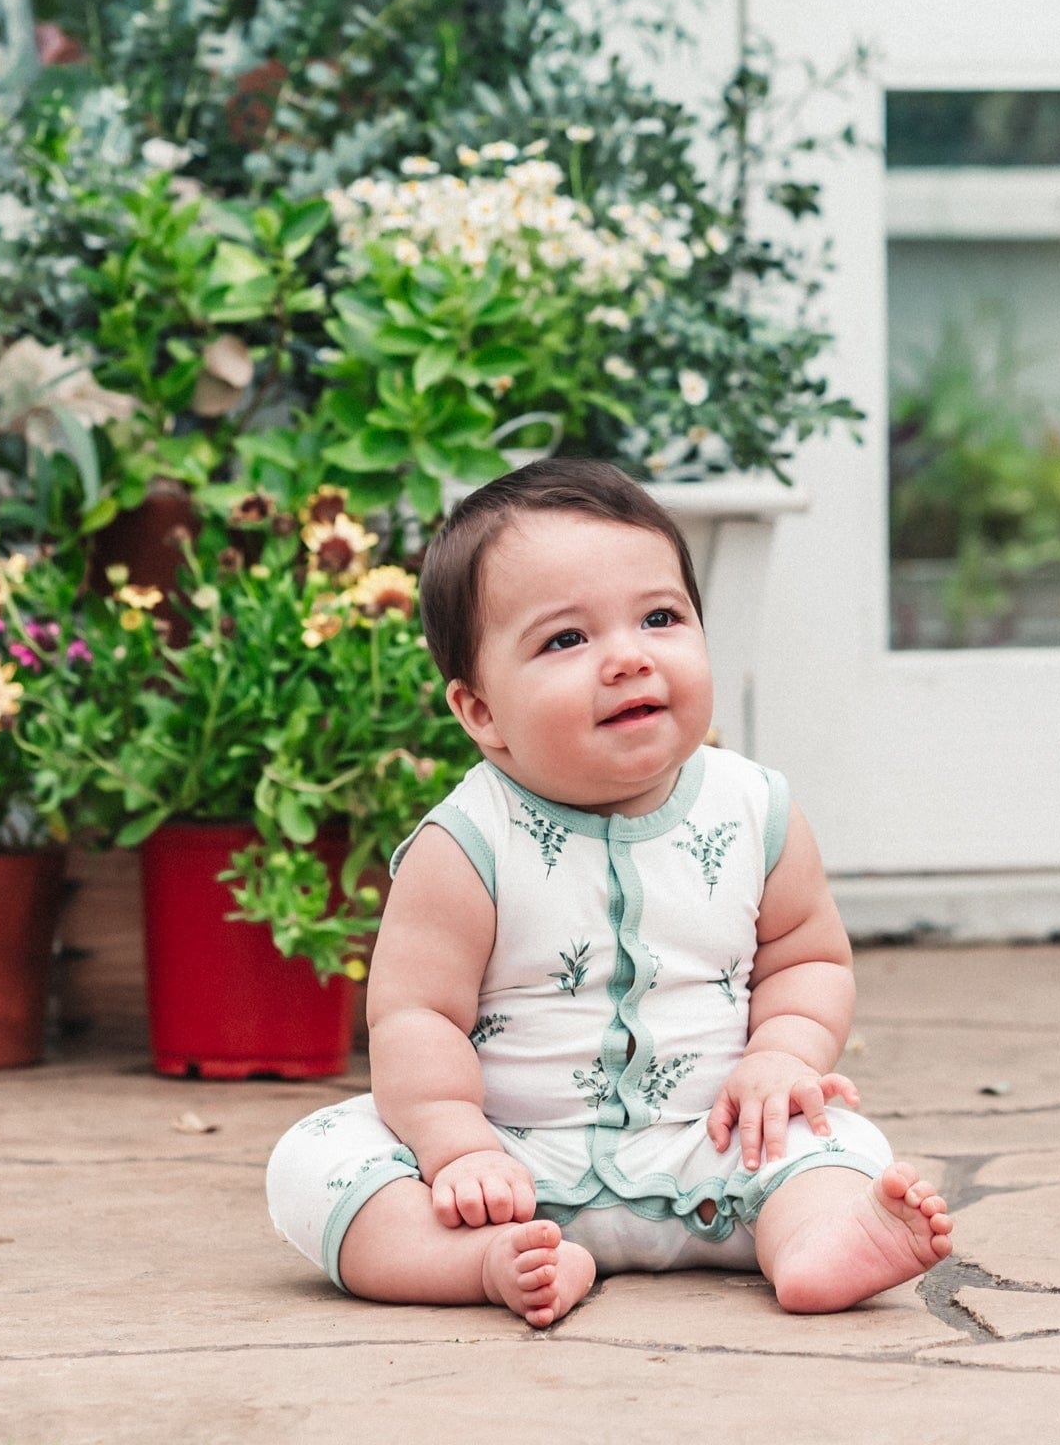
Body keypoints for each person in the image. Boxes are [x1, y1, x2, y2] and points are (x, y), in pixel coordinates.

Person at [266, 460, 952, 1325]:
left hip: (717, 1151)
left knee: (841, 1144)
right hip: (512, 1168)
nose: (629, 657)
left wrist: (782, 1057)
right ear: (480, 711)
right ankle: (488, 1262)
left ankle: (815, 1244)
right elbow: (415, 1017)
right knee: (315, 1160)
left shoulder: (755, 810)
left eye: (660, 618)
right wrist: (457, 1147)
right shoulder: (467, 843)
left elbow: (807, 957)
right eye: (566, 640)